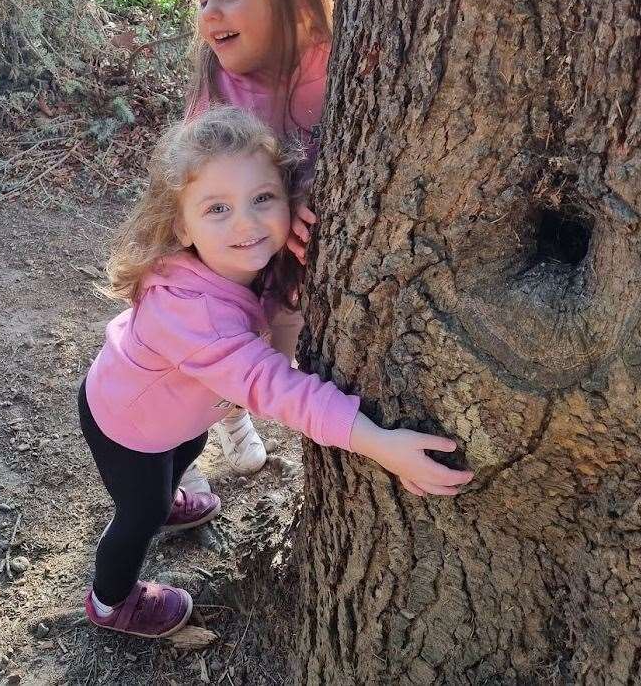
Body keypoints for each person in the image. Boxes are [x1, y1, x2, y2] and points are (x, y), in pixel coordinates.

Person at [79, 107, 474, 639]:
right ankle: (111, 603)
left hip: (175, 414)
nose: (246, 222)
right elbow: (277, 389)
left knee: (189, 449)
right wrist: (377, 440)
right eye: (217, 208)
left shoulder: (235, 260)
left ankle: (168, 496)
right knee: (139, 512)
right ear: (180, 225)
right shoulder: (192, 315)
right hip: (127, 425)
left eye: (263, 199)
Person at [180, 0, 335, 480]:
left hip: (294, 270)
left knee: (276, 354)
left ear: (298, 2)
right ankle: (182, 449)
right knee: (213, 358)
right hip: (226, 262)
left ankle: (242, 413)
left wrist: (313, 189)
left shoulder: (339, 64)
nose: (210, 13)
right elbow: (201, 175)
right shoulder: (224, 86)